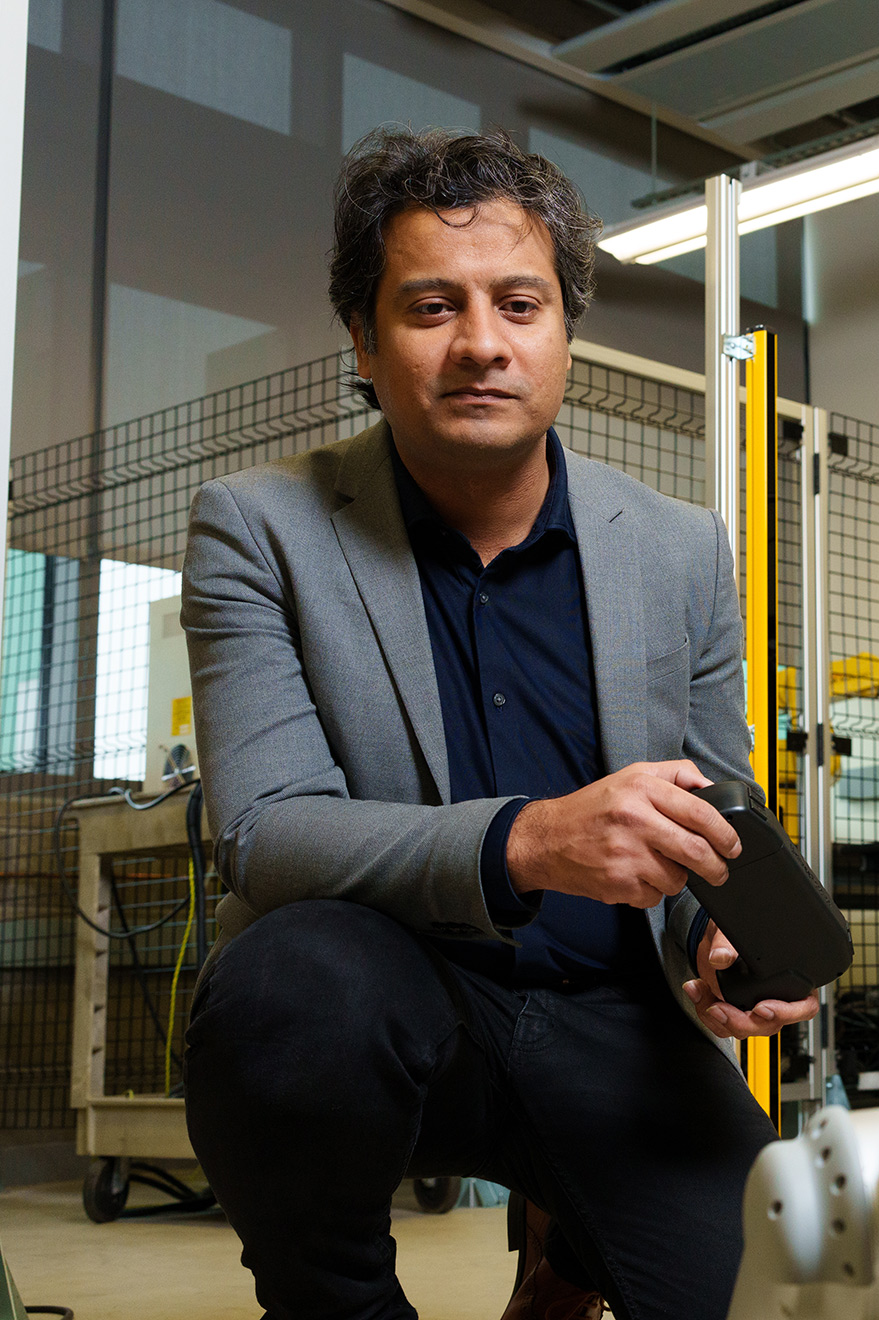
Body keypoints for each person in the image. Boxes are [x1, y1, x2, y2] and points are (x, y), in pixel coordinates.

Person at [180, 128, 816, 1320]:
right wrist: (527, 842)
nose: (480, 343)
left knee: (780, 1294)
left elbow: (712, 821)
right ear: (365, 346)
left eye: (517, 303)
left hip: (610, 1020)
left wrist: (717, 937)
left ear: (564, 332)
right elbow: (267, 833)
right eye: (430, 307)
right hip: (382, 999)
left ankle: (569, 1254)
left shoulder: (680, 552)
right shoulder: (260, 528)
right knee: (288, 983)